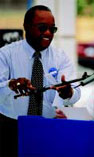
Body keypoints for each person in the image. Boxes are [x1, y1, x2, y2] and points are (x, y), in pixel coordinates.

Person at [0, 5, 80, 156]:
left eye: (52, 29)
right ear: (26, 27)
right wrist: (10, 85)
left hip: (48, 127)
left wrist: (68, 93)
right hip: (11, 127)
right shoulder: (5, 54)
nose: (48, 33)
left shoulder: (60, 57)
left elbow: (75, 92)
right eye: (42, 27)